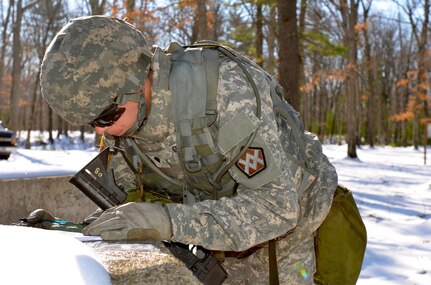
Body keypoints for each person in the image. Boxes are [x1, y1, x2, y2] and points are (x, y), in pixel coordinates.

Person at [40, 15, 338, 284]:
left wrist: (167, 222)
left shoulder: (224, 92)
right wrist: (89, 228)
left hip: (287, 220)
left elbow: (275, 208)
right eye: (91, 122)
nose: (101, 131)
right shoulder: (124, 113)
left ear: (139, 79)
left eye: (106, 117)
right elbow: (132, 186)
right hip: (214, 211)